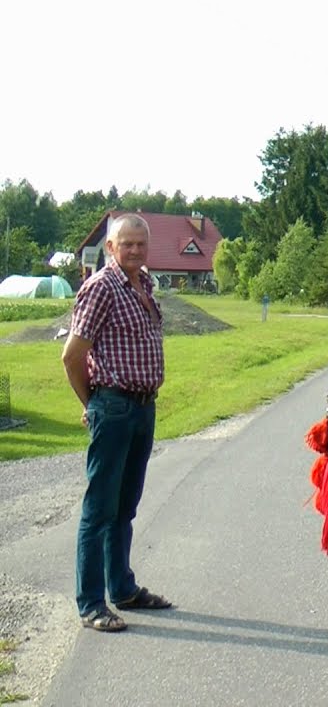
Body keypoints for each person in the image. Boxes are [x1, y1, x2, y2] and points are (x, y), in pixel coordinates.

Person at [62, 214, 173, 633]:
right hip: (113, 407)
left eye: (141, 244)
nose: (135, 251)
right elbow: (72, 356)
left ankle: (122, 589)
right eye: (126, 244)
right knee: (99, 510)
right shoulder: (101, 287)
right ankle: (91, 604)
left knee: (124, 507)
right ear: (110, 247)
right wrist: (93, 404)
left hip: (143, 408)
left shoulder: (144, 285)